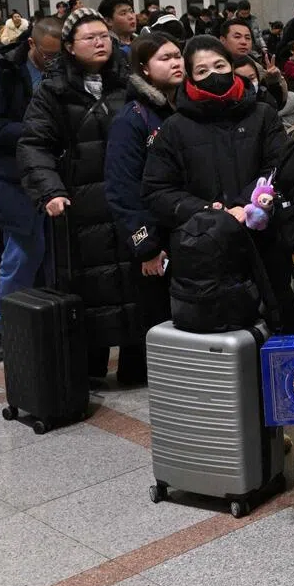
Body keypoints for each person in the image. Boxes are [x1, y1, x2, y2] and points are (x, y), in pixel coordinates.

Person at [17, 8, 139, 379]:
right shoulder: (52, 92)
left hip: (128, 199)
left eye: (104, 36)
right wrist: (49, 191)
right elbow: (33, 145)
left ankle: (138, 366)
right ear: (69, 47)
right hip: (81, 205)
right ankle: (91, 367)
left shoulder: (129, 83)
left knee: (135, 281)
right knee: (91, 286)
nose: (101, 42)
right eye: (90, 37)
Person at [142, 35, 294, 331]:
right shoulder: (175, 128)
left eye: (219, 65)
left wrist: (246, 204)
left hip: (263, 239)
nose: (213, 75)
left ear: (232, 67)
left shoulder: (262, 114)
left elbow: (279, 166)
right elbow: (157, 190)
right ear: (190, 76)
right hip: (204, 252)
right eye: (201, 71)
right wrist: (206, 211)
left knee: (277, 322)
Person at [0, 16, 62, 362]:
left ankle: (45, 320)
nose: (52, 62)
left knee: (54, 256)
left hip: (56, 175)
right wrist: (34, 132)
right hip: (13, 178)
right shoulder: (6, 72)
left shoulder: (65, 71)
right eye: (47, 56)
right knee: (24, 254)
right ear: (32, 45)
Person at [103, 34, 184, 380]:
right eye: (165, 58)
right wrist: (147, 246)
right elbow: (122, 188)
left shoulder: (181, 109)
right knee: (152, 314)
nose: (176, 62)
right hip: (153, 233)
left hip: (180, 224)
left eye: (178, 55)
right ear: (145, 70)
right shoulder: (132, 118)